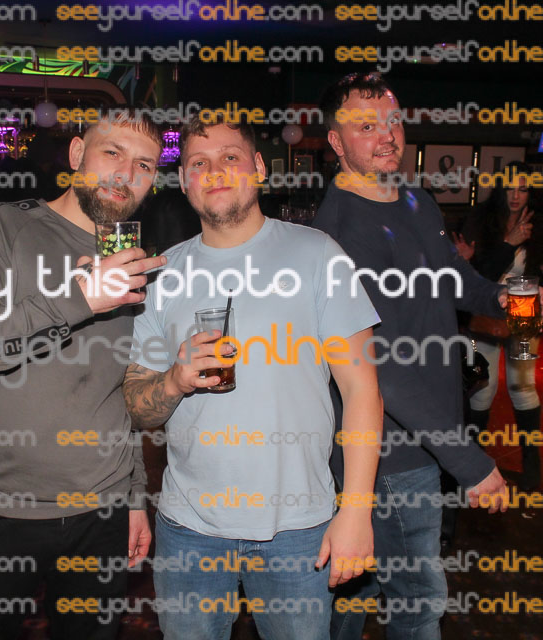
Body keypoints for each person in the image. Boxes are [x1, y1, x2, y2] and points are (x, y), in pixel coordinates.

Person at [122, 118, 385, 640]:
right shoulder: (161, 274)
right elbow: (135, 404)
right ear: (185, 181)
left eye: (230, 157)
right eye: (199, 163)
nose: (215, 171)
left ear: (259, 167)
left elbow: (362, 390)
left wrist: (356, 512)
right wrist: (175, 380)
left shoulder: (318, 254)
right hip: (189, 530)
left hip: (298, 529)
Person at [313, 72, 543, 640]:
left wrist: (497, 296)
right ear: (337, 142)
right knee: (418, 606)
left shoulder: (413, 198)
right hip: (391, 454)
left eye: (392, 121)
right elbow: (380, 370)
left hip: (426, 436)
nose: (387, 135)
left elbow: (451, 273)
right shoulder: (340, 231)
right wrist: (469, 463)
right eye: (366, 126)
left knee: (351, 597)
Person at [0, 108, 166, 640]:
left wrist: (134, 495)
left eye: (144, 165)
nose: (125, 174)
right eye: (113, 153)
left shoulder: (130, 260)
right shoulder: (5, 225)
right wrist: (79, 298)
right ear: (78, 154)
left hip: (102, 510)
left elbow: (118, 391)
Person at [455, 161, 543, 490]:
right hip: (486, 310)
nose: (516, 196)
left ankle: (532, 467)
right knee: (482, 388)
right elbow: (476, 279)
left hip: (524, 309)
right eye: (510, 188)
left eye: (523, 189)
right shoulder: (480, 220)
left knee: (523, 386)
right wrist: (509, 242)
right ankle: (474, 468)